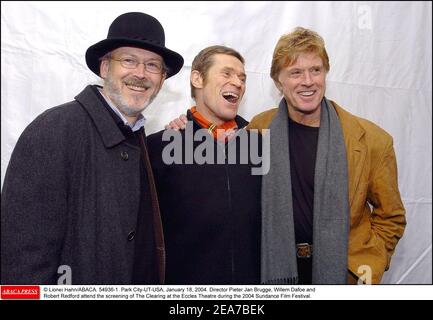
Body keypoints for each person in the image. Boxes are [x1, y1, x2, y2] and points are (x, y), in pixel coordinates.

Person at [1, 12, 184, 284]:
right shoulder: (53, 130)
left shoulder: (139, 140)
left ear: (161, 79)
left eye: (153, 65)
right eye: (129, 60)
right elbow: (22, 261)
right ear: (104, 68)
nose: (141, 74)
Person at [247, 27, 406, 284]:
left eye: (316, 70)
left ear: (325, 73)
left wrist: (369, 265)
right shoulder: (258, 129)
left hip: (344, 276)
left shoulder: (372, 140)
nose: (308, 81)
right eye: (295, 72)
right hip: (273, 272)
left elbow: (391, 216)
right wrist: (187, 124)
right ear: (278, 81)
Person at [147, 45, 262, 284]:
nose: (238, 82)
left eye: (242, 78)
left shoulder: (261, 145)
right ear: (197, 78)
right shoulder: (158, 147)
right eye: (227, 73)